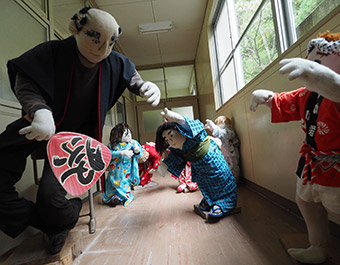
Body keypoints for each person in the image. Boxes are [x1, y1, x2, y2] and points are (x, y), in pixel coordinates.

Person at [0, 7, 160, 255]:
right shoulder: (52, 52)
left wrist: (145, 86)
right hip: (38, 125)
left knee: (51, 201)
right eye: (95, 38)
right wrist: (39, 109)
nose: (103, 49)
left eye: (111, 42)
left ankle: (58, 221)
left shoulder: (114, 61)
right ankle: (48, 224)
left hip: (74, 142)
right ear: (76, 28)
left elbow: (133, 79)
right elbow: (26, 79)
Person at [249, 31, 340, 264]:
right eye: (311, 63)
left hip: (336, 166)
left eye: (319, 63)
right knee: (306, 202)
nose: (311, 69)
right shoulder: (308, 94)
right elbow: (285, 101)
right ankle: (318, 246)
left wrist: (317, 74)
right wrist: (266, 97)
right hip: (311, 162)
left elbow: (335, 88)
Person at [155, 108, 238, 219]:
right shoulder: (179, 149)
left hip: (213, 162)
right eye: (167, 140)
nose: (171, 141)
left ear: (179, 129)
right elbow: (175, 158)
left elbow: (190, 125)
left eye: (171, 135)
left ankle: (222, 202)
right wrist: (163, 166)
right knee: (205, 184)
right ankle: (210, 200)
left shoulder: (194, 135)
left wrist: (176, 118)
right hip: (200, 171)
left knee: (220, 179)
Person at [102, 123, 142, 207]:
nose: (129, 136)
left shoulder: (133, 143)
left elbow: (139, 154)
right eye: (126, 134)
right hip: (115, 170)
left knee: (125, 184)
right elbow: (108, 153)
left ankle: (122, 197)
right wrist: (121, 153)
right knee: (113, 184)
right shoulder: (113, 145)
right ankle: (113, 198)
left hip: (127, 170)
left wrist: (137, 150)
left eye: (130, 133)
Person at [205, 116, 241, 183]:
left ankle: (234, 181)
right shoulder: (223, 131)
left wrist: (212, 126)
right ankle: (228, 181)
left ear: (224, 123)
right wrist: (211, 128)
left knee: (232, 167)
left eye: (219, 123)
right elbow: (218, 134)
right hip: (225, 152)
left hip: (230, 153)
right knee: (225, 166)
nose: (217, 125)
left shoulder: (228, 131)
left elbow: (221, 133)